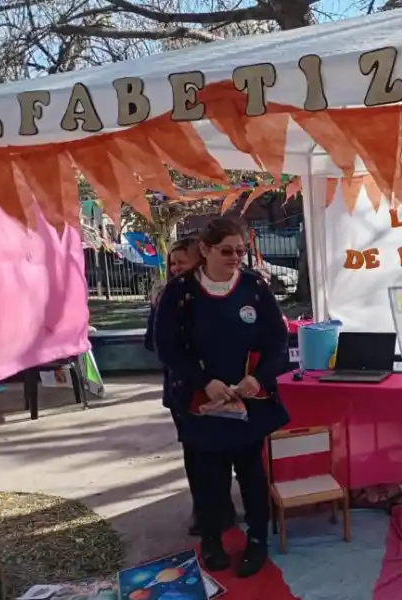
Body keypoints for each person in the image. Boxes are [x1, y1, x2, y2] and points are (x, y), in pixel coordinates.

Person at [155, 217, 290, 577]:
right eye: (226, 250)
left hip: (248, 401)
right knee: (209, 477)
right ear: (205, 249)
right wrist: (204, 381)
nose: (235, 257)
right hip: (202, 403)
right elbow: (166, 347)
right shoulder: (180, 292)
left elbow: (278, 342)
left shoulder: (254, 288)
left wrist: (257, 379)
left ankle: (257, 541)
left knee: (252, 475)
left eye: (241, 250)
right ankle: (212, 540)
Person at [144, 237, 237, 537]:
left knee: (223, 452)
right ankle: (204, 511)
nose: (175, 267)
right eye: (172, 263)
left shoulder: (220, 293)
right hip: (183, 391)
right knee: (195, 455)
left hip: (222, 388)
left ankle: (225, 508)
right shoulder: (166, 297)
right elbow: (153, 342)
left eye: (182, 262)